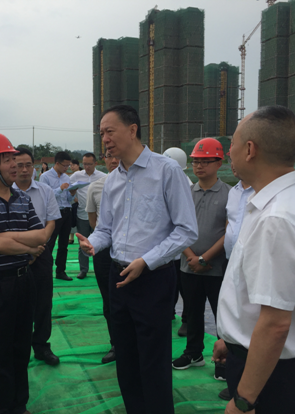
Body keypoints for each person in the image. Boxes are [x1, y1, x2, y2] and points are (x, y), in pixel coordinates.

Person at [77, 105, 198, 413]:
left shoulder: (166, 171)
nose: (104, 139)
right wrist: (92, 243)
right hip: (118, 277)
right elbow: (106, 229)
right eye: (101, 133)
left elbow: (186, 230)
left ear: (132, 130)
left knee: (153, 361)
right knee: (126, 357)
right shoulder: (112, 180)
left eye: (110, 131)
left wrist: (146, 260)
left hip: (152, 279)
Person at [212, 106, 295, 414]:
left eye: (232, 144)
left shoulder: (277, 218)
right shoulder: (274, 203)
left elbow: (275, 324)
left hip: (271, 378)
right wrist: (232, 338)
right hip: (263, 360)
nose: (229, 153)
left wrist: (244, 399)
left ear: (250, 150)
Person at [0, 132, 54, 413]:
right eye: (7, 160)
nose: (15, 165)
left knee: (21, 347)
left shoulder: (22, 198)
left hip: (23, 281)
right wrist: (22, 246)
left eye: (14, 159)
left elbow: (41, 237)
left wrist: (4, 239)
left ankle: (19, 404)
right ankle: (0, 406)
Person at [171, 138, 231, 382]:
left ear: (219, 163)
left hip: (217, 268)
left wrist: (204, 258)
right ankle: (194, 353)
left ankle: (224, 360)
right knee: (192, 312)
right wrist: (191, 257)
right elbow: (177, 227)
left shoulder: (230, 194)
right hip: (189, 266)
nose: (199, 166)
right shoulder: (186, 193)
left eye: (206, 161)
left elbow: (229, 232)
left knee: (222, 316)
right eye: (196, 161)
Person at [13, 147, 62, 366]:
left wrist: (40, 247)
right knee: (18, 304)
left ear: (34, 167)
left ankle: (41, 346)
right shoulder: (5, 191)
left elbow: (51, 221)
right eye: (19, 166)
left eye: (28, 165)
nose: (24, 170)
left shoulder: (45, 191)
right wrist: (24, 250)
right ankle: (19, 348)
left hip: (41, 253)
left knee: (43, 302)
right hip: (13, 253)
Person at [216, 151, 255, 402]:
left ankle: (247, 388)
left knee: (250, 322)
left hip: (252, 265)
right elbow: (230, 225)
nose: (232, 164)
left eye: (234, 156)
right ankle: (232, 379)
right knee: (232, 316)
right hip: (231, 261)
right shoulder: (234, 192)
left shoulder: (262, 193)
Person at [85, 150, 119, 363]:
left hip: (132, 252)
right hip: (104, 252)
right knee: (109, 299)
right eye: (109, 156)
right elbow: (93, 221)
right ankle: (116, 343)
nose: (114, 161)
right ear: (103, 160)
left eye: (117, 156)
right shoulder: (96, 187)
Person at [163, 147, 192, 335]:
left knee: (183, 287)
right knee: (170, 286)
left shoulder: (186, 185)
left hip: (182, 248)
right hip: (168, 247)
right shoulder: (164, 180)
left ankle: (186, 319)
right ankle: (170, 312)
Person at [40, 151, 77, 281]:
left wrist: (72, 193)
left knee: (63, 245)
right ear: (57, 163)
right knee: (49, 244)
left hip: (66, 212)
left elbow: (68, 199)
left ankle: (60, 271)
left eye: (68, 165)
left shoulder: (66, 177)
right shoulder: (45, 177)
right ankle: (45, 270)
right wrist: (60, 189)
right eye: (65, 165)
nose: (67, 168)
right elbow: (45, 196)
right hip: (53, 214)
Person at [70, 153, 106, 279]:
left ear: (95, 163)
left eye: (89, 164)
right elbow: (69, 191)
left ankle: (100, 269)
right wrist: (73, 196)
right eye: (84, 164)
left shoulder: (103, 177)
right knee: (83, 244)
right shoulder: (76, 176)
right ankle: (83, 270)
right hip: (82, 215)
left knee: (100, 243)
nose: (87, 167)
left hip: (98, 216)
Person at [67, 159, 81, 244]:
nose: (71, 167)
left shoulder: (83, 175)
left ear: (78, 165)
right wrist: (74, 198)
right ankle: (71, 237)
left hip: (83, 201)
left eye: (73, 165)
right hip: (74, 201)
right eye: (70, 165)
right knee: (73, 220)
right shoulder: (71, 177)